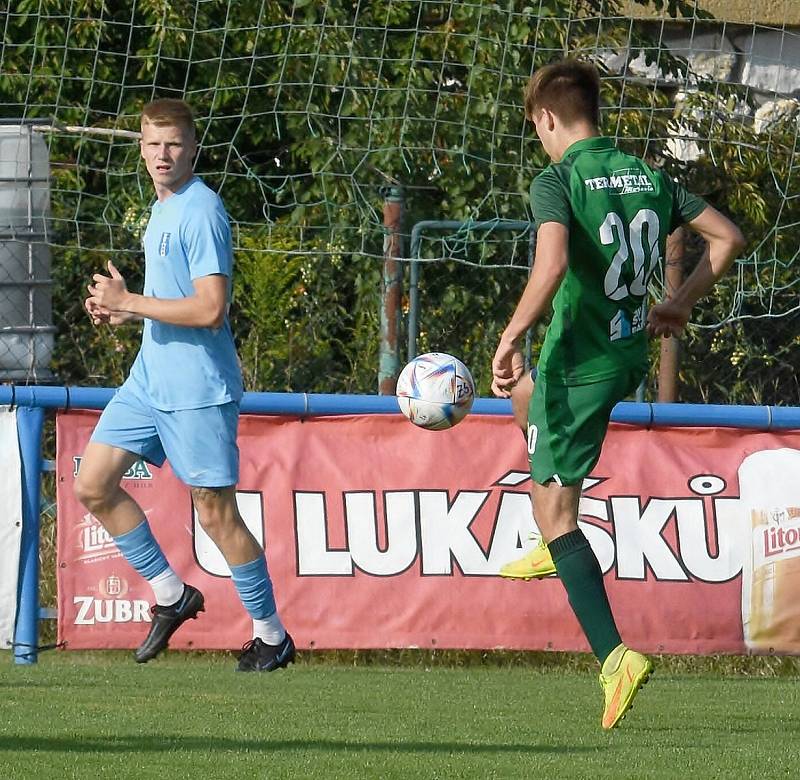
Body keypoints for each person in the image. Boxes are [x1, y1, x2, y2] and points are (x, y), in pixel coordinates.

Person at [491, 60, 744, 728]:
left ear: (547, 119)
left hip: (580, 362)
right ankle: (555, 545)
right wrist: (679, 303)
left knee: (556, 512)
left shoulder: (559, 179)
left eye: (537, 128)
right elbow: (729, 237)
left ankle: (615, 658)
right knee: (525, 399)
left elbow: (549, 266)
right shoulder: (647, 176)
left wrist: (510, 332)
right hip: (624, 351)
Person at [75, 98, 294, 672]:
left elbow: (210, 310)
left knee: (216, 513)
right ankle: (172, 595)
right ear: (141, 149)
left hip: (198, 387)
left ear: (193, 148)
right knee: (93, 484)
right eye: (152, 144)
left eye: (173, 144)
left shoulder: (201, 211)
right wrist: (125, 313)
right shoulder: (162, 208)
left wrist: (130, 301)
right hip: (150, 379)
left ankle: (272, 635)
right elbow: (172, 300)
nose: (162, 154)